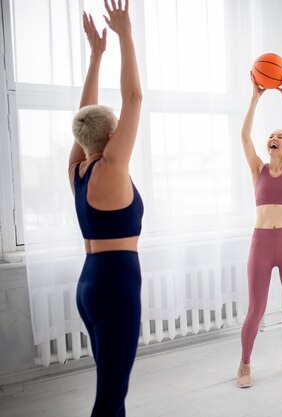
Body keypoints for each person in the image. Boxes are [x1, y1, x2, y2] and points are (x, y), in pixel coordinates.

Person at [69, 1, 143, 414]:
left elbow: (83, 119)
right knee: (110, 399)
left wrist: (96, 56)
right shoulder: (113, 168)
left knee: (111, 389)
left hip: (89, 285)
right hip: (116, 287)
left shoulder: (78, 170)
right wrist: (125, 36)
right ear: (113, 134)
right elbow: (133, 96)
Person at [236, 70, 282, 388]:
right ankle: (244, 364)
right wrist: (254, 99)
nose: (274, 138)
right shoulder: (258, 169)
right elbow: (244, 137)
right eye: (272, 136)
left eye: (281, 135)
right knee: (257, 309)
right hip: (261, 244)